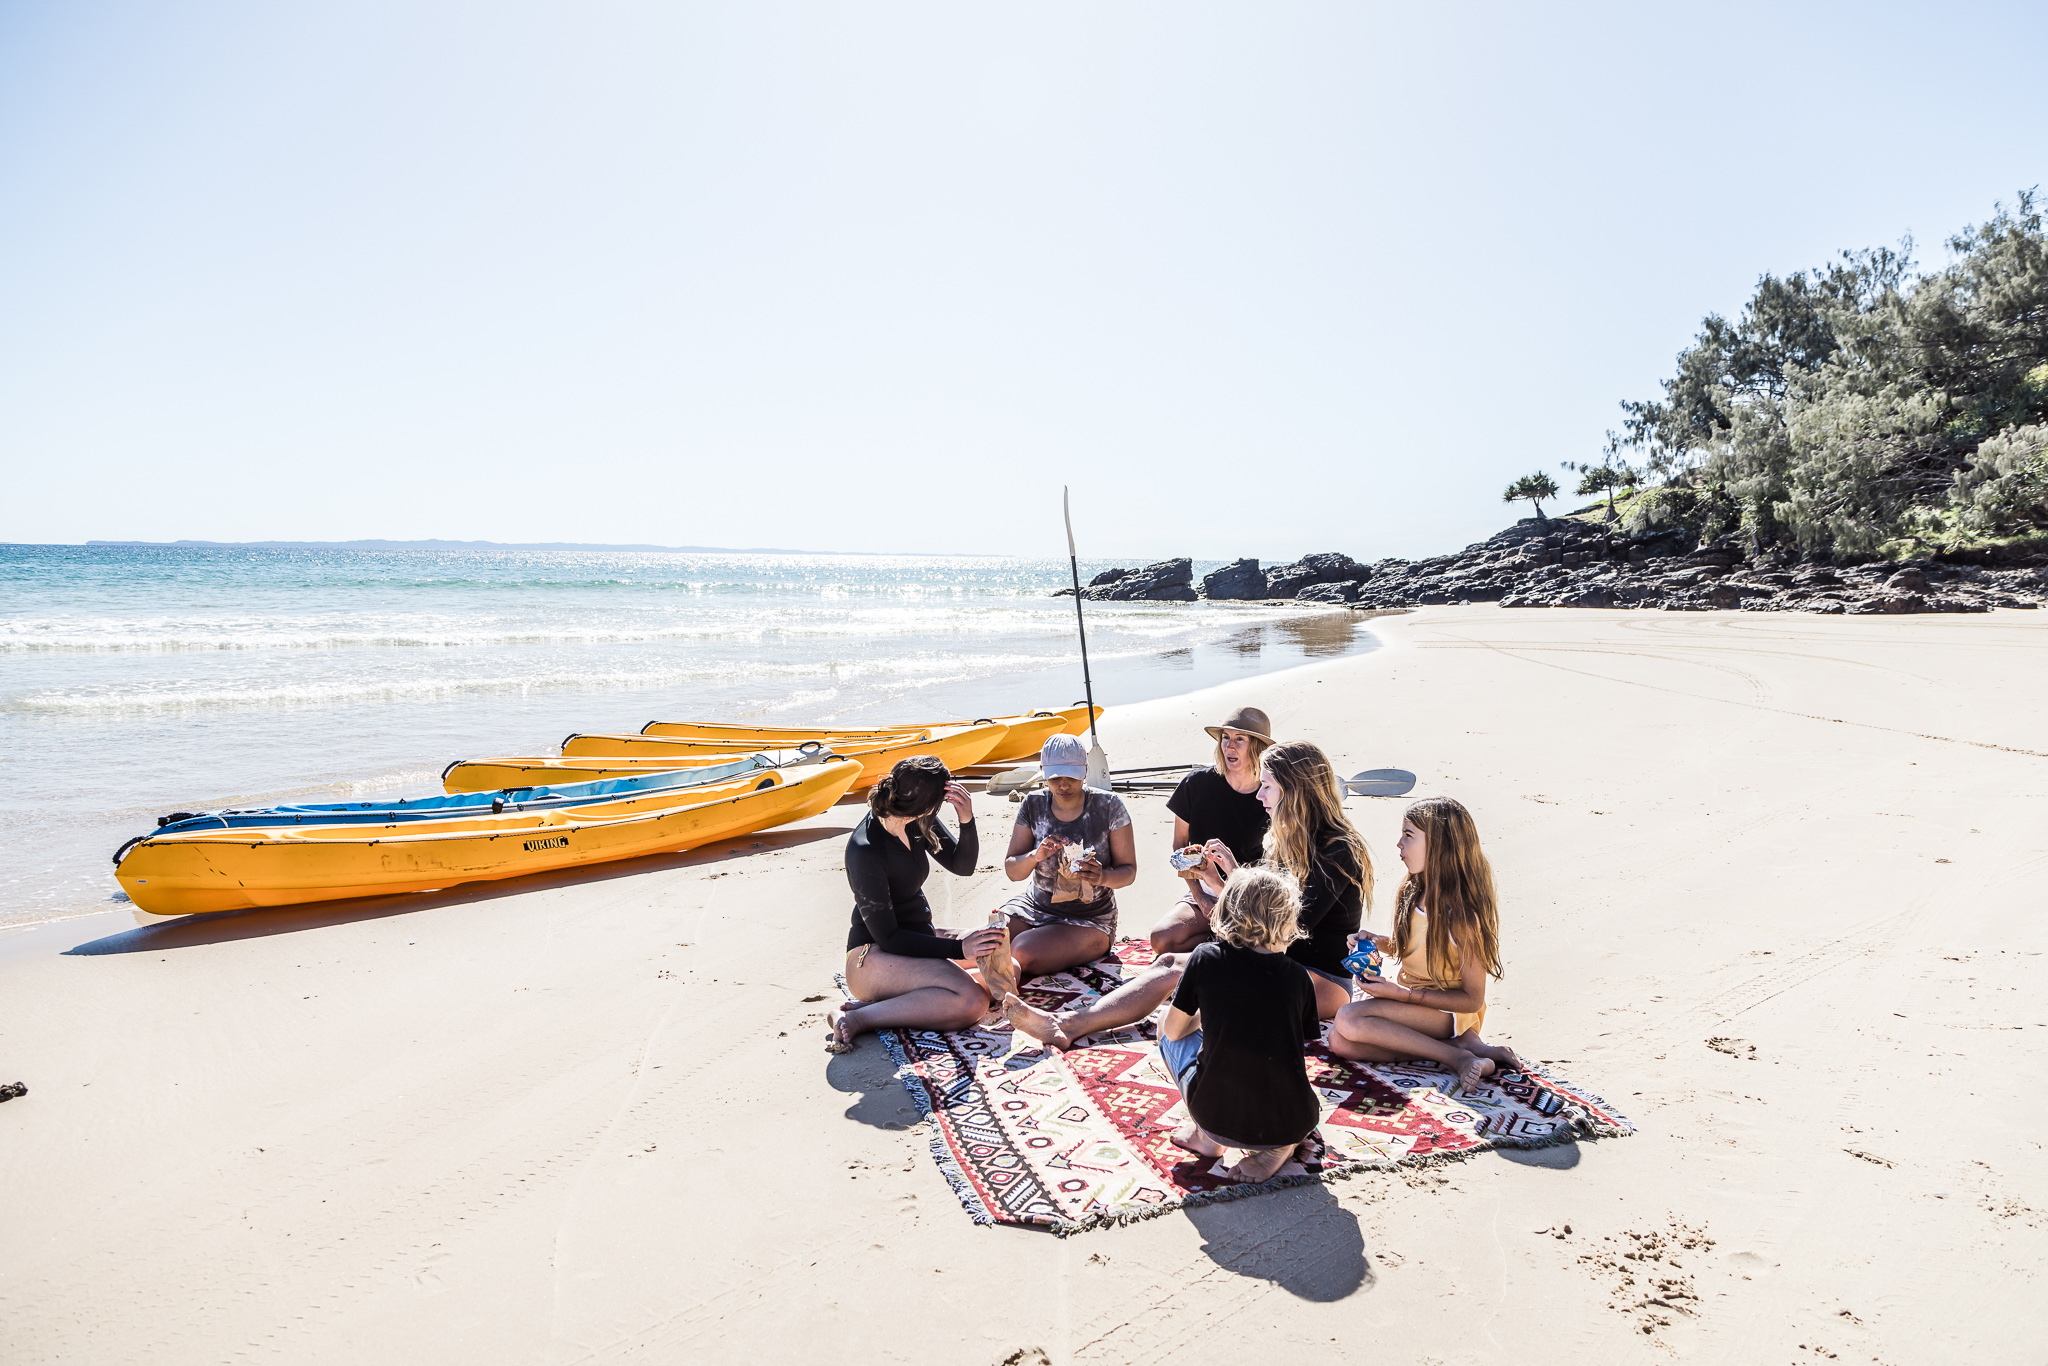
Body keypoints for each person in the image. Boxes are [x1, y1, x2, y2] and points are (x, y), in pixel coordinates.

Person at [1326, 797, 1522, 1090]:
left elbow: (1473, 999)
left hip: (1449, 1010)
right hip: (1416, 1001)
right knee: (1341, 1042)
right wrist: (1375, 941)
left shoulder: (1463, 916)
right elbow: (1408, 946)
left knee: (1349, 1018)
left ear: (1440, 847)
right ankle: (1465, 1046)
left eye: (1408, 835)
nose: (1398, 844)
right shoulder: (1411, 890)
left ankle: (1456, 1057)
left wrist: (1402, 995)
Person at [1157, 866, 1322, 1183]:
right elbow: (1298, 1044)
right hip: (1296, 1118)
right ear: (1287, 922)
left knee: (1167, 1027)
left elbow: (1176, 1031)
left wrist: (1208, 1008)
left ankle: (1207, 1138)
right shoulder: (1298, 976)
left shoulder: (1206, 958)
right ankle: (1280, 1144)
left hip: (1218, 1118)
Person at [828, 756, 1003, 1050]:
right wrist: (960, 948)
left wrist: (966, 819)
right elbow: (890, 936)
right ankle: (859, 1019)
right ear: (923, 801)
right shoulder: (865, 850)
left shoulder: (915, 820)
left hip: (918, 939)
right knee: (972, 1001)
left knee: (1003, 966)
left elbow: (962, 865)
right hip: (873, 956)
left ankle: (898, 1001)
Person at [1207, 739, 1370, 1021]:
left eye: (1267, 786)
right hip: (1281, 964)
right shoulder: (1285, 840)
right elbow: (1263, 919)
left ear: (1294, 792)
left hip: (1325, 981)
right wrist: (1221, 880)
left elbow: (1289, 929)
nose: (1259, 796)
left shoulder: (1340, 850)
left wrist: (1234, 880)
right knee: (1175, 964)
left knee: (1201, 978)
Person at [997, 733, 1138, 979]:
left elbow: (1128, 872)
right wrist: (1035, 856)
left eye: (1071, 776)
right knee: (991, 937)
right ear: (1042, 771)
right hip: (1035, 905)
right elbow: (1012, 871)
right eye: (1055, 777)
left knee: (1022, 950)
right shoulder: (1033, 804)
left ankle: (992, 982)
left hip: (1090, 918)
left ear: (1085, 771)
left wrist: (1101, 876)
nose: (1063, 785)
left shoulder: (1109, 806)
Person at [1149, 706, 1274, 956]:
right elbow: (1180, 847)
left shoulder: (1271, 792)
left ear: (1258, 746)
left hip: (1250, 894)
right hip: (1204, 888)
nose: (1229, 746)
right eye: (1225, 737)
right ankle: (1219, 946)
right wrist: (1200, 897)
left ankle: (1223, 946)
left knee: (1263, 950)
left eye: (1240, 739)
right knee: (1161, 939)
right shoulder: (1196, 784)